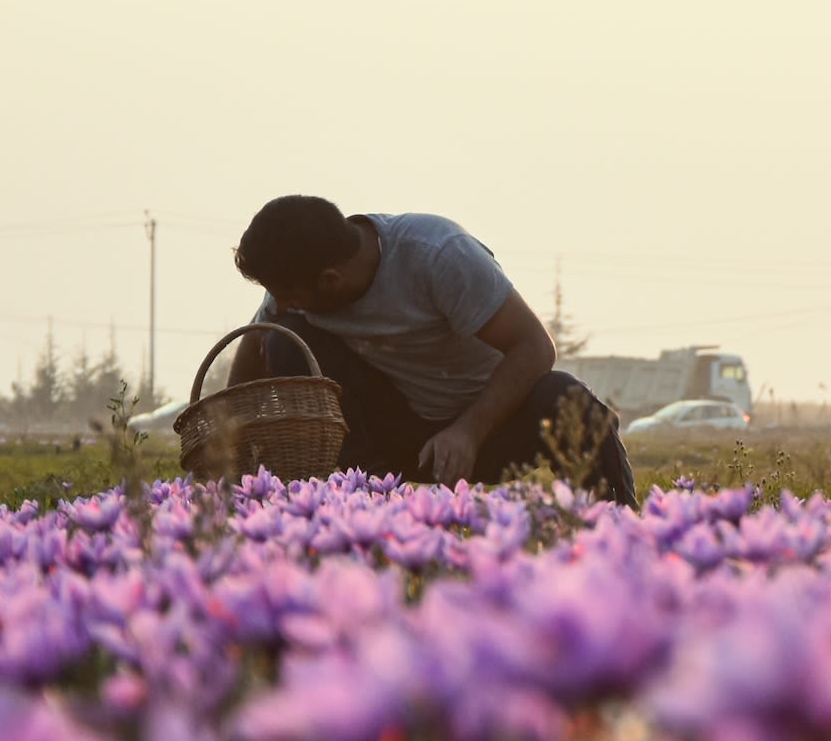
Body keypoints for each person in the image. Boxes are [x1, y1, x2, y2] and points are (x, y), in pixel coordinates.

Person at [225, 195, 637, 507]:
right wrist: (226, 448)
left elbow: (534, 346)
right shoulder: (296, 290)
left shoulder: (438, 254)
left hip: (493, 423)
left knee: (565, 398)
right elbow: (253, 348)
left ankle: (616, 527)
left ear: (330, 280)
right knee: (281, 336)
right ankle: (354, 505)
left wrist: (468, 431)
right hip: (397, 433)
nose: (280, 304)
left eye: (286, 296)